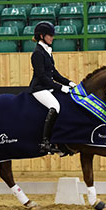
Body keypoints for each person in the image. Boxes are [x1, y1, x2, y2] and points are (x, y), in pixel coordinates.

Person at [29, 21, 77, 154]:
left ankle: (60, 140)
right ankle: (45, 142)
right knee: (55, 107)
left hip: (48, 87)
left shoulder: (47, 51)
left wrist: (69, 83)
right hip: (39, 88)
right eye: (50, 35)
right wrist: (60, 88)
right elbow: (43, 77)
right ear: (41, 36)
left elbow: (53, 73)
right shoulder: (37, 53)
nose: (52, 38)